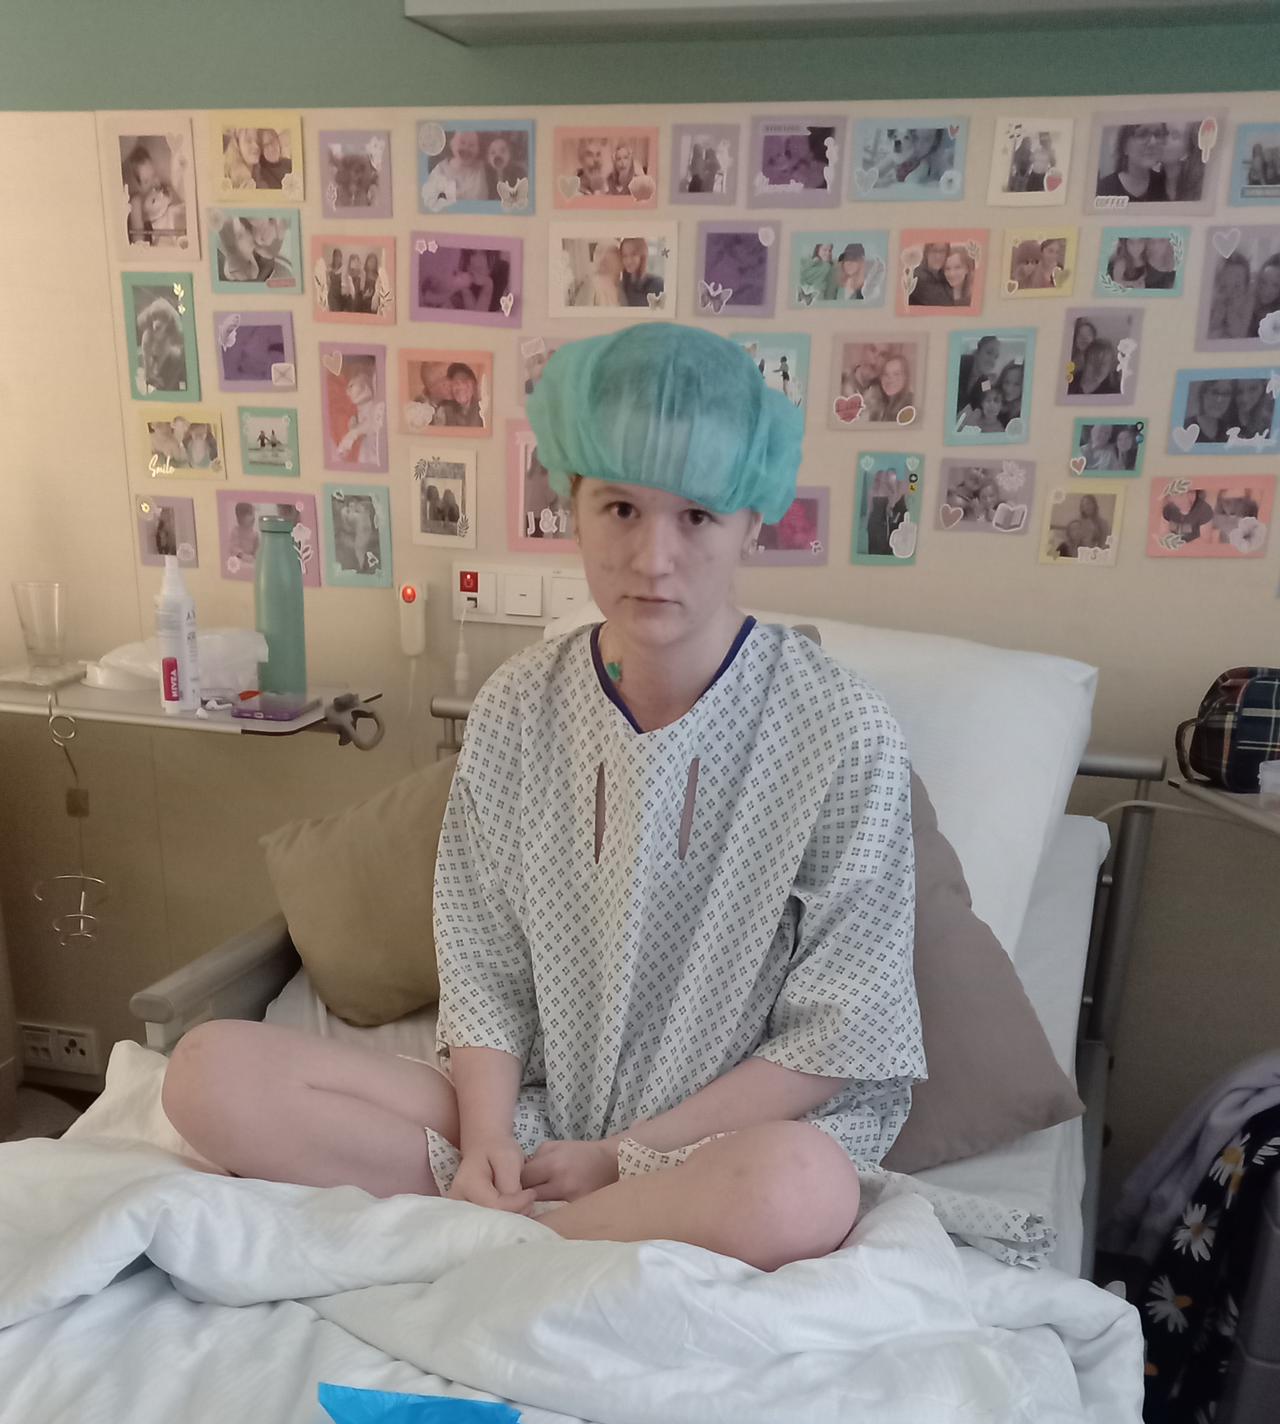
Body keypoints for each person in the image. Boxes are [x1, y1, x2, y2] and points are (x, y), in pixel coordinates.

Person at [162, 322, 924, 1274]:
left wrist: (623, 1157)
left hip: (720, 1145)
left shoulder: (840, 730)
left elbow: (844, 1031)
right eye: (620, 508)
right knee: (207, 1073)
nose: (653, 557)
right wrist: (488, 1138)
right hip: (539, 1116)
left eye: (697, 516)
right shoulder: (519, 705)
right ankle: (513, 1210)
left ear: (752, 522)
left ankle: (511, 1246)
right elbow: (481, 960)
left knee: (803, 1188)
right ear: (572, 504)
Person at [1096, 122, 1170, 202]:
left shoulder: (1165, 184)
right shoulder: (1103, 189)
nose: (1153, 142)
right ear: (1124, 146)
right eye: (1142, 134)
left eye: (1158, 134)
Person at [425, 128, 489, 206]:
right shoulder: (441, 168)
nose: (466, 148)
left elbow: (480, 197)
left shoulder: (479, 168)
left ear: (478, 149)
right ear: (452, 144)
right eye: (462, 143)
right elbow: (432, 196)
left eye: (472, 145)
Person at [619, 236, 664, 307]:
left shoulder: (656, 284)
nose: (628, 261)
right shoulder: (622, 286)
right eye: (625, 256)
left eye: (633, 254)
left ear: (642, 256)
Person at [907, 241, 951, 306]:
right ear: (926, 253)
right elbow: (944, 304)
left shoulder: (943, 275)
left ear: (947, 254)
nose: (938, 256)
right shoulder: (918, 277)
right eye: (933, 251)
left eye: (942, 251)